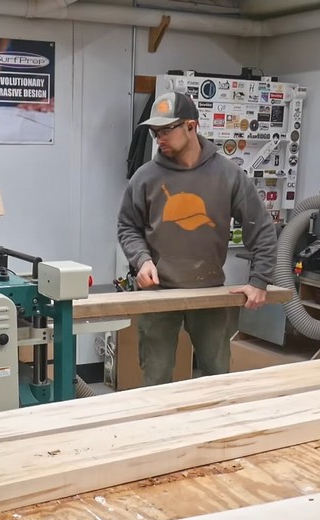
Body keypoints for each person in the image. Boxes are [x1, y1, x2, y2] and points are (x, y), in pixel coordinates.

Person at [117, 91, 279, 387]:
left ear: (191, 126)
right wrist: (141, 261)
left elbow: (262, 228)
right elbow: (128, 226)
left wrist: (259, 280)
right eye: (155, 132)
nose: (159, 139)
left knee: (216, 378)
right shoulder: (145, 177)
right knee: (156, 379)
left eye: (166, 130)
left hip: (209, 294)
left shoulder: (228, 175)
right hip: (159, 294)